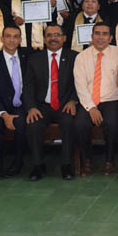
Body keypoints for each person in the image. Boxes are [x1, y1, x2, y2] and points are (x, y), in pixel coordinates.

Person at [23, 25, 79, 181]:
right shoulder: (34, 59)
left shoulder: (75, 57)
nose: (53, 38)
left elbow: (81, 82)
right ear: (44, 38)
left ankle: (67, 165)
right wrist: (31, 107)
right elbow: (28, 86)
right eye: (49, 35)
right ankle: (37, 165)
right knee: (33, 125)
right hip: (41, 106)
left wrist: (73, 100)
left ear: (64, 38)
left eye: (57, 34)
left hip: (65, 104)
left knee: (68, 123)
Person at [73, 22, 118, 176]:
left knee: (112, 123)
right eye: (97, 33)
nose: (100, 37)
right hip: (88, 100)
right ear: (91, 36)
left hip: (111, 99)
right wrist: (91, 108)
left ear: (110, 37)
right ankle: (87, 160)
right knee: (80, 124)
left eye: (104, 34)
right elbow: (80, 86)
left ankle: (110, 160)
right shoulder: (81, 57)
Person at [0, 24, 30, 179]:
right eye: (8, 36)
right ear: (2, 39)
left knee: (22, 123)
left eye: (16, 36)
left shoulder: (28, 58)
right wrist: (3, 114)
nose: (12, 40)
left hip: (20, 105)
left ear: (20, 40)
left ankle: (18, 162)